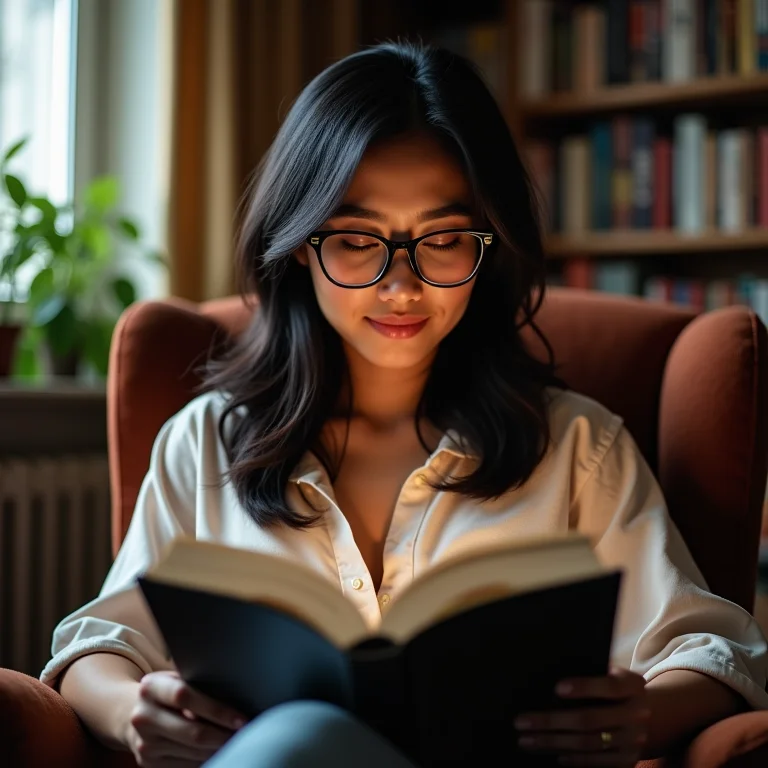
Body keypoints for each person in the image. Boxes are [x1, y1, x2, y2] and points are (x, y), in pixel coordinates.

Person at [41, 41, 767, 768]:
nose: (401, 286)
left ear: (489, 245)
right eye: (358, 239)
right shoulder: (206, 442)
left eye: (443, 238)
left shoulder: (576, 447)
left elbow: (711, 648)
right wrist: (133, 711)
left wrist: (640, 715)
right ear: (301, 242)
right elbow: (102, 643)